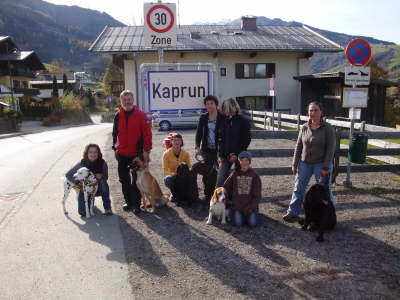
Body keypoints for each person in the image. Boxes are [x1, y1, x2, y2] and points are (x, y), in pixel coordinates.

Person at [283, 101, 336, 222]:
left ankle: (330, 216)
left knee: (325, 191)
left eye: (316, 110)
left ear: (321, 112)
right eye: (311, 110)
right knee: (298, 188)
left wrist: (326, 167)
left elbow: (331, 148)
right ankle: (292, 212)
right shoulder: (304, 127)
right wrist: (294, 163)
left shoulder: (327, 128)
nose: (313, 113)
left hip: (321, 164)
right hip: (304, 163)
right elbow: (298, 146)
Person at [112, 90, 152, 214]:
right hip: (122, 154)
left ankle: (136, 205)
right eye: (124, 99)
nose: (127, 101)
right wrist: (115, 148)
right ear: (121, 101)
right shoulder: (118, 115)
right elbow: (115, 134)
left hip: (136, 154)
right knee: (124, 180)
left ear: (132, 100)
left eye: (129, 99)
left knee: (136, 180)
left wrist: (146, 151)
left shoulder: (140, 115)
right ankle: (128, 202)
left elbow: (147, 134)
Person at [66, 144, 112, 216]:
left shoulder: (103, 163)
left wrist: (101, 176)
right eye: (90, 152)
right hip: (85, 189)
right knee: (82, 213)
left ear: (98, 153)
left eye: (95, 152)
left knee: (103, 181)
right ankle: (90, 201)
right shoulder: (81, 163)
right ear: (86, 153)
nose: (93, 154)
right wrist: (78, 184)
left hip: (97, 188)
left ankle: (107, 208)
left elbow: (106, 177)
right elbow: (68, 175)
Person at [194, 95, 224, 202]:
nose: (209, 106)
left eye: (211, 103)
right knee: (207, 173)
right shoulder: (203, 117)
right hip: (207, 150)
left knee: (221, 174)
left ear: (216, 104)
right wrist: (197, 147)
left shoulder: (222, 117)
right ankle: (208, 196)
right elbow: (198, 134)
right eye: (207, 104)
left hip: (220, 151)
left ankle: (220, 197)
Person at [216, 98, 251, 187]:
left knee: (240, 179)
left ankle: (240, 199)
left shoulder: (243, 121)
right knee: (221, 178)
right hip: (225, 155)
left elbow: (246, 139)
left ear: (230, 107)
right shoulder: (224, 121)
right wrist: (220, 155)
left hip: (240, 155)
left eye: (224, 108)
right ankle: (217, 199)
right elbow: (221, 139)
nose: (222, 110)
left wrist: (236, 154)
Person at [223, 151, 261, 227]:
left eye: (246, 160)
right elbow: (225, 187)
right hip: (237, 206)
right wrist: (230, 201)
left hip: (250, 207)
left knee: (252, 224)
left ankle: (250, 216)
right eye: (242, 160)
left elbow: (257, 195)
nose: (244, 163)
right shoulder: (234, 174)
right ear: (239, 162)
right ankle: (236, 214)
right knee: (238, 224)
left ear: (249, 162)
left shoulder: (255, 175)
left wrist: (251, 207)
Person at [162, 133, 197, 205]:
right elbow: (165, 170)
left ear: (181, 142)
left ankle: (189, 195)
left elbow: (189, 167)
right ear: (171, 142)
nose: (176, 142)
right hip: (173, 176)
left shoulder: (186, 154)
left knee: (192, 176)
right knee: (167, 179)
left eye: (178, 140)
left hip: (183, 176)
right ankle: (174, 194)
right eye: (174, 140)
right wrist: (175, 174)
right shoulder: (166, 154)